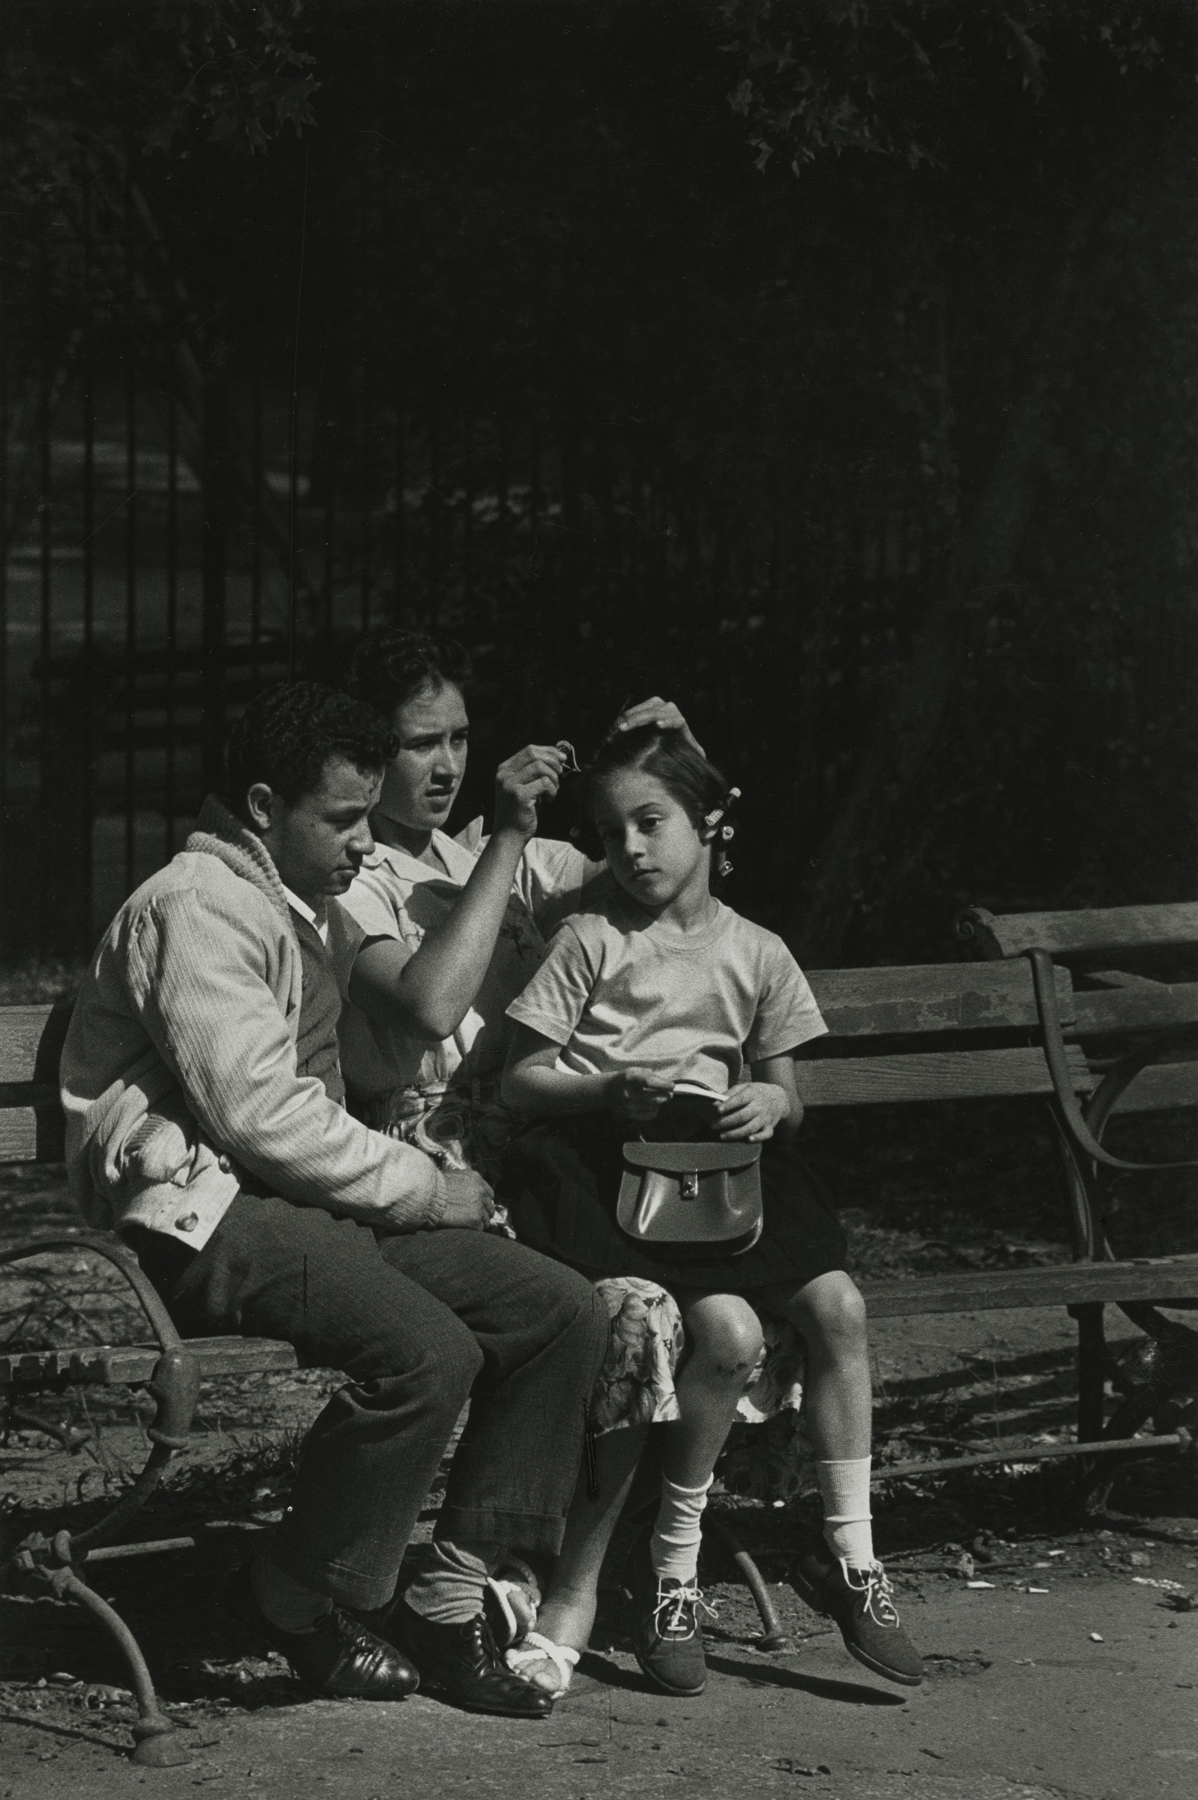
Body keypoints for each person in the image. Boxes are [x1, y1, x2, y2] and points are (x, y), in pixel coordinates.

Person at [59, 681, 609, 1719]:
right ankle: (291, 1595)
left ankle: (448, 1599)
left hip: (301, 1210)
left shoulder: (298, 907)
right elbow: (255, 1112)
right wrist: (419, 1186)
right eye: (344, 819)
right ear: (264, 806)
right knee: (426, 1352)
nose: (365, 842)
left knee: (556, 1312)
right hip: (196, 1216)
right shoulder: (195, 905)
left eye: (368, 816)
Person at [499, 723, 924, 1699]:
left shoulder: (757, 952)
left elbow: (788, 1091)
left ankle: (852, 1561)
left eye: (650, 822)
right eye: (611, 835)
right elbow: (521, 1079)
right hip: (615, 1167)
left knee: (841, 1307)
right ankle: (672, 1571)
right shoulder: (590, 938)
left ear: (711, 821)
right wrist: (606, 1088)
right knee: (727, 1331)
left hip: (724, 1169)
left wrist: (772, 1101)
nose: (632, 850)